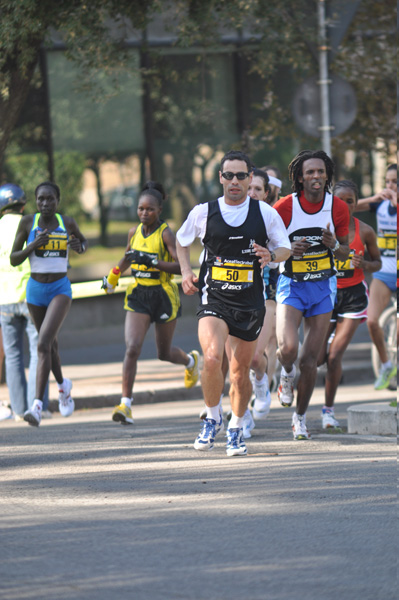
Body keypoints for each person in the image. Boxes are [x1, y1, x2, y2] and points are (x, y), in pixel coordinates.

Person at [176, 150, 291, 457]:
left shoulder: (265, 214)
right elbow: (181, 239)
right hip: (215, 297)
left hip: (249, 302)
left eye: (242, 176)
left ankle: (236, 427)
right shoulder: (204, 212)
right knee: (212, 358)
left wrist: (271, 256)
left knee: (240, 373)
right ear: (221, 178)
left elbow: (285, 248)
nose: (236, 181)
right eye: (229, 175)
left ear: (250, 178)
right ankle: (213, 417)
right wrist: (186, 273)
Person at [104, 181, 199, 426]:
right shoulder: (133, 232)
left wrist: (152, 262)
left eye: (149, 209)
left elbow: (181, 266)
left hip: (163, 295)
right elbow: (128, 257)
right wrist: (113, 277)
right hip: (138, 295)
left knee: (163, 353)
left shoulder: (166, 233)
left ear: (159, 210)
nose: (144, 213)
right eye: (140, 209)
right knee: (132, 347)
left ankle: (191, 362)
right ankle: (125, 405)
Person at [273, 149, 350, 440]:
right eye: (310, 172)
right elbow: (271, 248)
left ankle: (300, 417)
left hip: (323, 287)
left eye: (320, 171)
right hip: (292, 284)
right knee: (289, 348)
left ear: (327, 174)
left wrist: (333, 245)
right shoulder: (285, 207)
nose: (316, 177)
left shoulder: (338, 208)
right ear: (300, 178)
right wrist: (288, 251)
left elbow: (346, 250)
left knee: (311, 360)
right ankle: (284, 372)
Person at [10, 181, 87, 426]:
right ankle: (63, 386)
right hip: (34, 291)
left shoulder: (68, 223)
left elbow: (83, 244)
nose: (45, 204)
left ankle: (36, 405)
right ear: (35, 201)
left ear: (57, 201)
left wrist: (79, 246)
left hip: (59, 289)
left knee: (42, 343)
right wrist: (33, 245)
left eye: (50, 199)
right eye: (40, 199)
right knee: (50, 345)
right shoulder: (27, 223)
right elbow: (14, 258)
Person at [317, 180, 381, 429]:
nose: (344, 204)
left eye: (350, 200)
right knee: (317, 357)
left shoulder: (365, 230)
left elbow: (376, 263)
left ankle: (328, 411)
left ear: (356, 204)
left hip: (353, 297)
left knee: (334, 357)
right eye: (339, 200)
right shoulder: (323, 229)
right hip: (325, 296)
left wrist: (363, 265)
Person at [0, 184, 50, 421]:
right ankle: (38, 406)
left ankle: (19, 410)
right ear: (22, 204)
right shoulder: (31, 224)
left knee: (12, 355)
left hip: (5, 300)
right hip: (32, 297)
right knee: (39, 351)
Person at [355, 164, 397, 389]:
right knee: (371, 321)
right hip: (384, 272)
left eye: (395, 182)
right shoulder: (380, 204)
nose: (390, 186)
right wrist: (374, 197)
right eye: (387, 181)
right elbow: (346, 207)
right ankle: (386, 363)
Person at [246, 168, 279, 429]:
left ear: (266, 194)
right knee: (231, 361)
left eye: (258, 189)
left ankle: (262, 385)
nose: (252, 193)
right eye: (249, 187)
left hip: (265, 292)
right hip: (229, 294)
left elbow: (286, 249)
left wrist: (273, 255)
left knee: (256, 357)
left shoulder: (272, 218)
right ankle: (240, 416)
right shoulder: (225, 215)